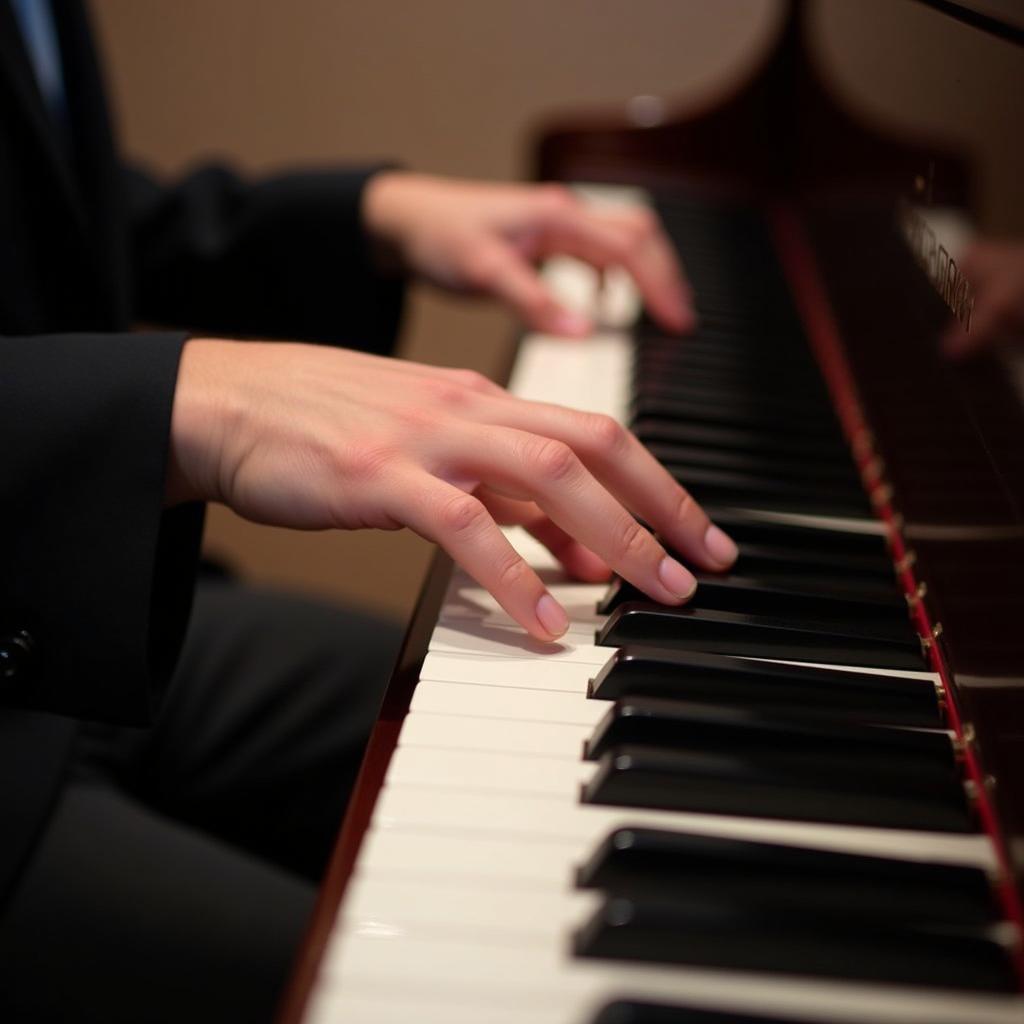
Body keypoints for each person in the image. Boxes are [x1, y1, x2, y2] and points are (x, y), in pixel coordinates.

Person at [0, 1, 738, 1021]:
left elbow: (39, 211)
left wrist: (368, 213)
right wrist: (180, 404)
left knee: (581, 758)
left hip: (56, 615)